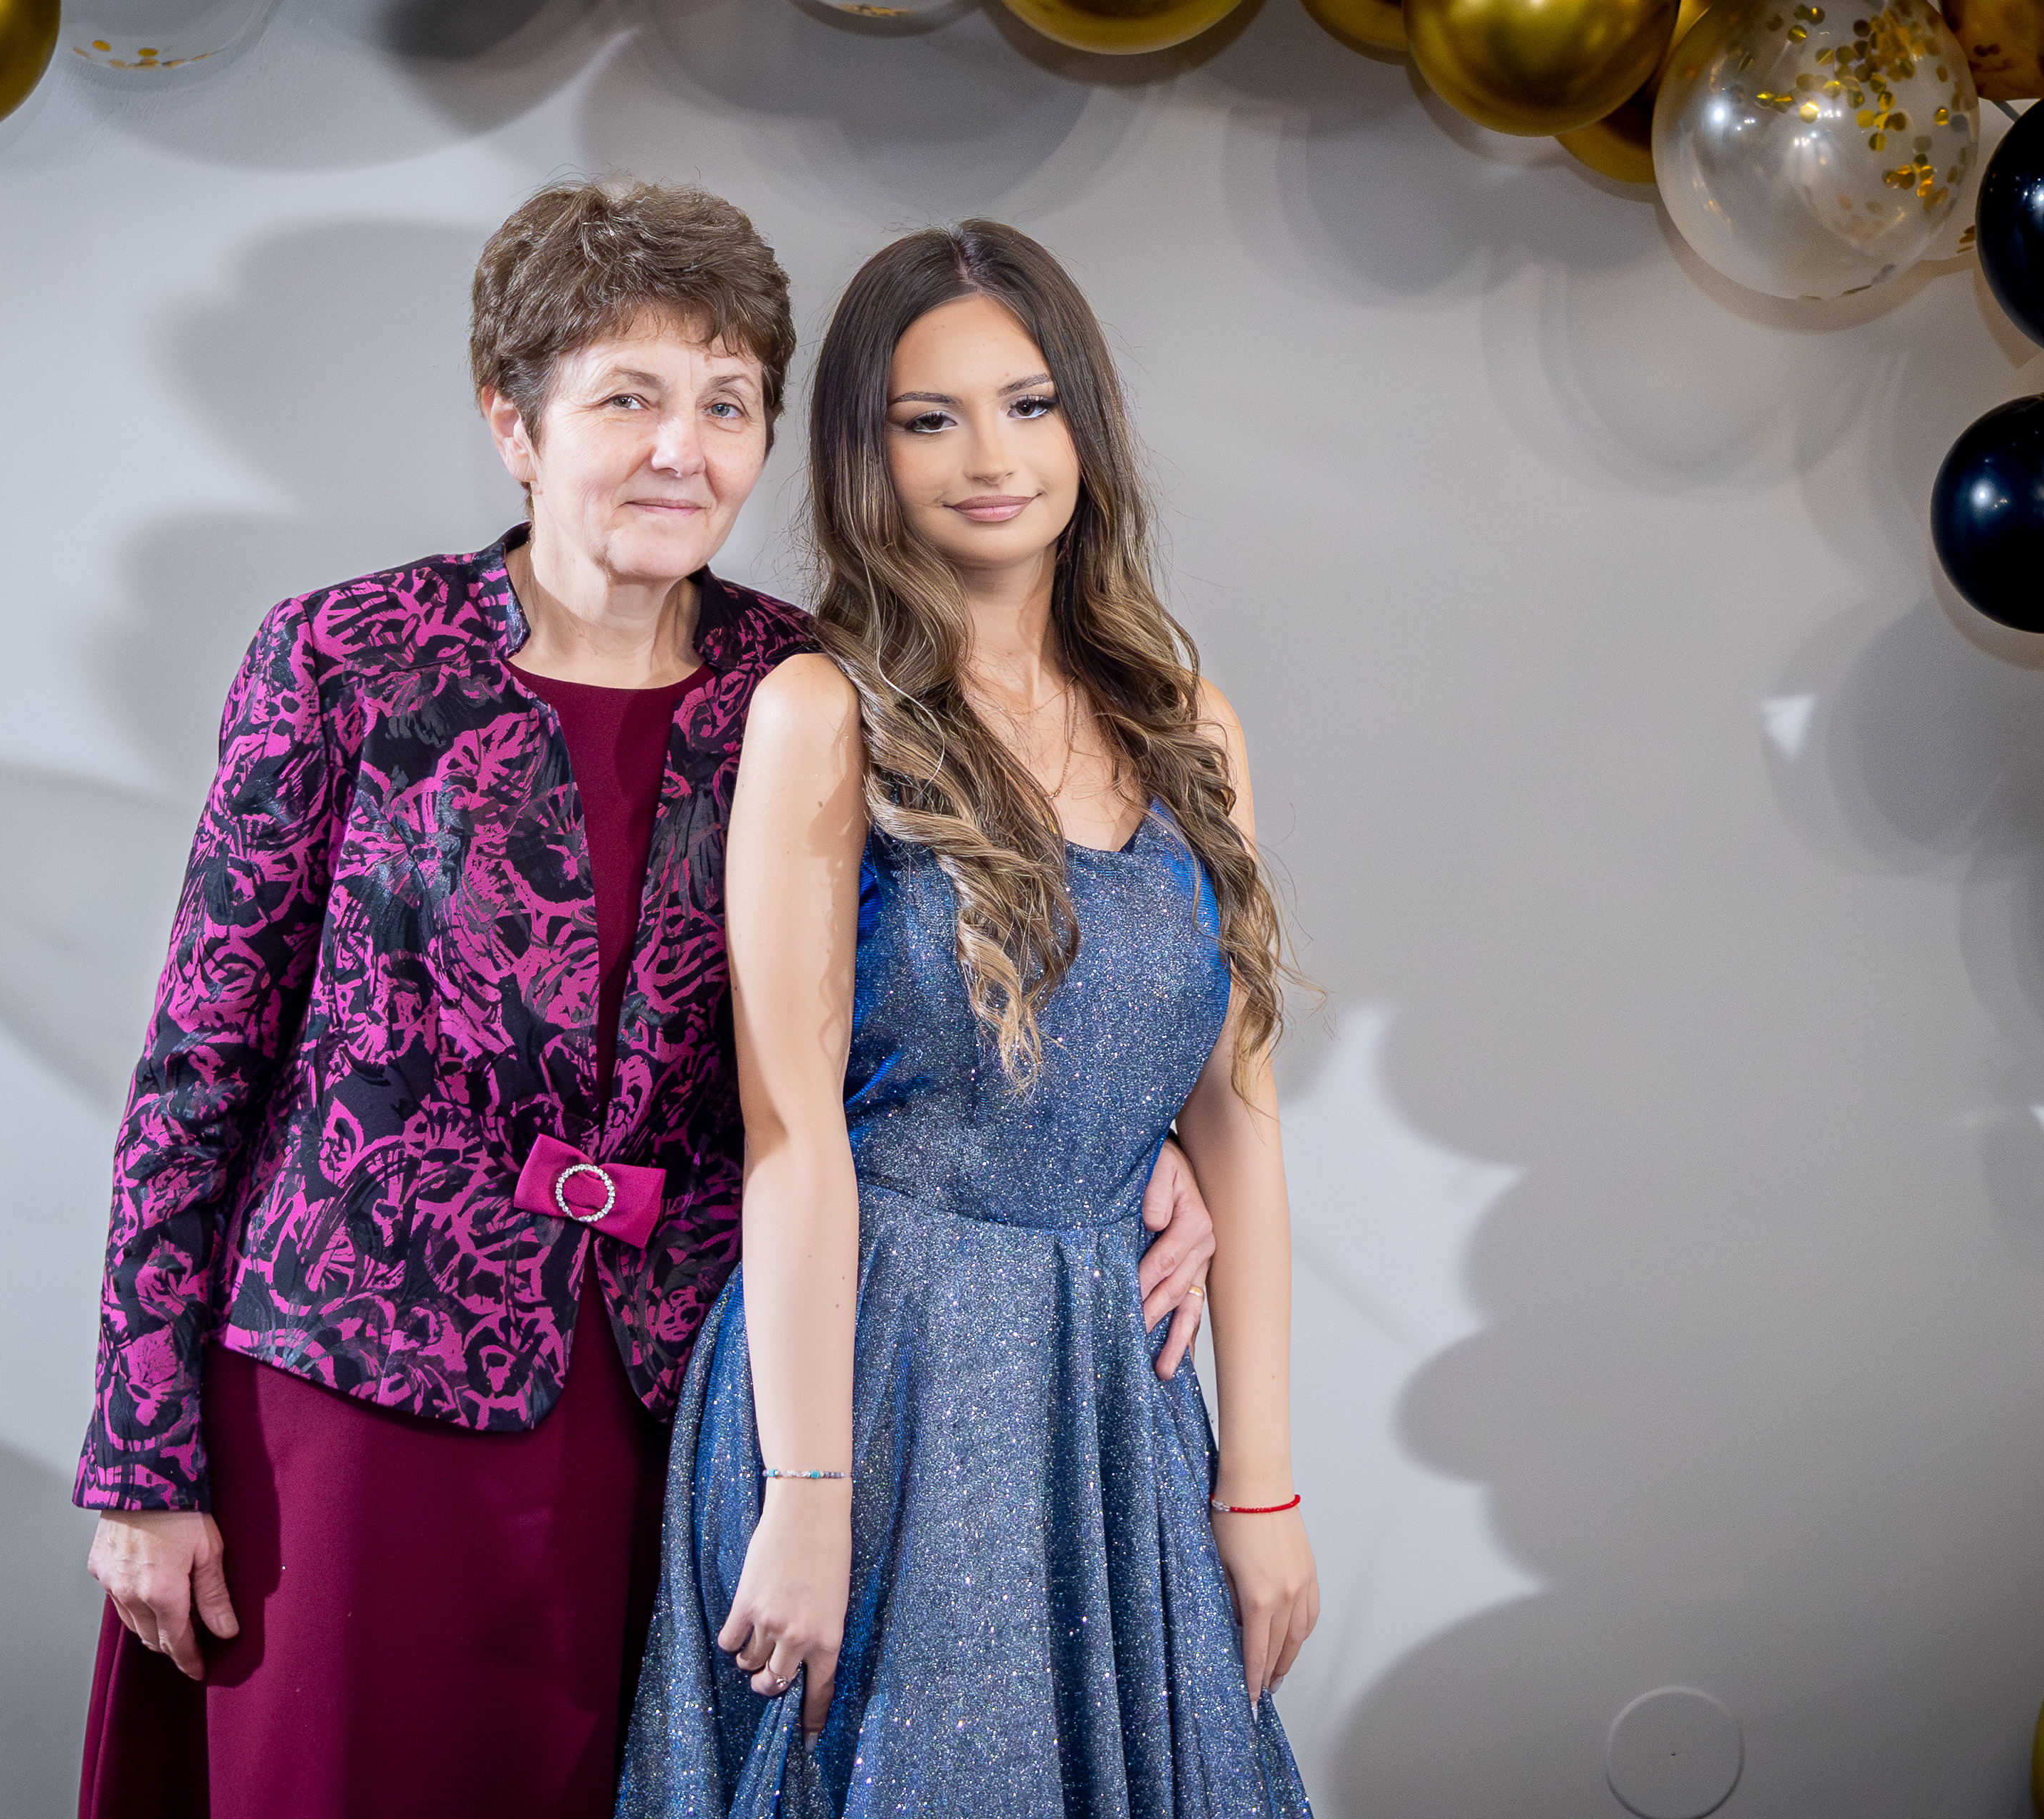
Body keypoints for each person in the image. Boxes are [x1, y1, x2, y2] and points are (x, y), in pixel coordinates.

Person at [71, 181, 1223, 1819]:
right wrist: (140, 1457)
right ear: (513, 420)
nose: (681, 451)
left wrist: (1129, 1145)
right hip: (350, 1402)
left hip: (683, 1410)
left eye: (726, 405)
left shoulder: (816, 688)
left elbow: (929, 1006)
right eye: (626, 399)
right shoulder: (343, 657)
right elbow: (198, 1069)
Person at [618, 221, 1317, 1817]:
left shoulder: (1188, 725)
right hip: (878, 1371)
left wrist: (1262, 1482)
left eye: (1026, 405)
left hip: (1112, 1387)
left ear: (1085, 423)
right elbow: (791, 1132)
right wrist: (808, 1487)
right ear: (865, 459)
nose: (989, 459)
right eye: (926, 420)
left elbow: (1238, 1121)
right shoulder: (822, 714)